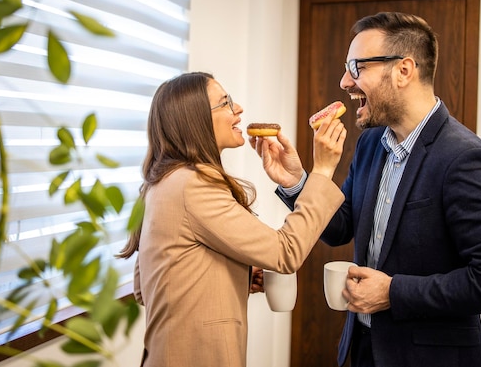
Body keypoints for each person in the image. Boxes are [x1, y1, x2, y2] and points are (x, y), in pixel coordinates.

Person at [250, 12, 481, 367]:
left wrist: (392, 292)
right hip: (362, 349)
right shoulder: (370, 143)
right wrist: (296, 181)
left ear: (404, 70)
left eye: (356, 67)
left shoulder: (464, 158)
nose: (344, 82)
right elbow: (341, 227)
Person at [118, 71, 348, 367]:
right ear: (195, 119)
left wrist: (235, 274)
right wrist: (322, 171)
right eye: (225, 102)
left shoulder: (161, 182)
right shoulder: (194, 186)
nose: (238, 108)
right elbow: (285, 252)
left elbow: (146, 288)